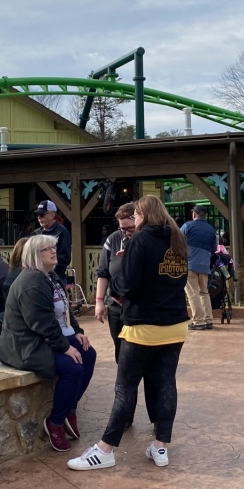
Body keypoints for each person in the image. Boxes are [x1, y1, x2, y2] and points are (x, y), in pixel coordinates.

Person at [68, 195, 189, 472]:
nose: (133, 221)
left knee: (125, 386)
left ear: (144, 214)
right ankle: (161, 446)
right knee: (166, 383)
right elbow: (178, 279)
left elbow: (126, 283)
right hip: (175, 324)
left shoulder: (140, 240)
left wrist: (121, 272)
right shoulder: (178, 239)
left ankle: (105, 449)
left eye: (136, 216)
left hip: (143, 325)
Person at [0, 235, 96, 452]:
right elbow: (41, 323)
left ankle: (70, 408)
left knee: (88, 353)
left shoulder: (50, 276)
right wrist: (65, 347)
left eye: (54, 247)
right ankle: (56, 422)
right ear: (34, 254)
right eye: (47, 249)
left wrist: (76, 332)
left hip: (43, 338)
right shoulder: (31, 281)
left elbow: (64, 310)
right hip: (26, 345)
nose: (54, 252)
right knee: (73, 366)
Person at [94, 203, 156, 428]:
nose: (126, 232)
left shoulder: (147, 241)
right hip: (117, 308)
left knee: (148, 363)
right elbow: (103, 271)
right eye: (122, 228)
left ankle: (156, 417)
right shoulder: (113, 240)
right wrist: (100, 301)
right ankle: (125, 414)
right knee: (122, 360)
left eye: (130, 227)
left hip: (140, 310)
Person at [180, 205, 217, 331]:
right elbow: (214, 249)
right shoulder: (212, 230)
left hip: (190, 264)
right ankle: (208, 320)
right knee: (204, 292)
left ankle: (198, 322)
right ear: (205, 215)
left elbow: (178, 241)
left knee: (192, 294)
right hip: (204, 265)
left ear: (194, 214)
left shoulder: (188, 226)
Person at [33, 200, 71, 281]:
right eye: (37, 214)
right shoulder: (36, 233)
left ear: (52, 215)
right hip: (38, 277)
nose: (39, 217)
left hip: (56, 278)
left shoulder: (62, 232)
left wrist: (48, 270)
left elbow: (64, 258)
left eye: (42, 214)